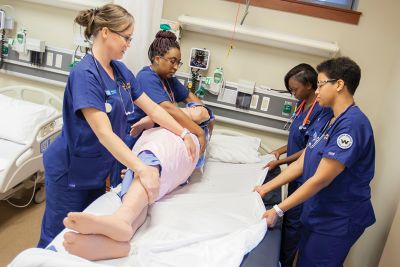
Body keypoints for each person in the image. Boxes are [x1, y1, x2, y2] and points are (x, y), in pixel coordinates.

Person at [37, 4, 197, 248]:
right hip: (70, 170)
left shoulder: (121, 72)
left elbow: (154, 108)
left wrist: (183, 132)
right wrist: (141, 168)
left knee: (84, 237)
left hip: (98, 171)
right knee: (57, 238)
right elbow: (104, 133)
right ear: (105, 32)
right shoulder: (85, 74)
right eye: (126, 38)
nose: (128, 44)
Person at [255, 57, 375, 266]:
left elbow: (321, 179)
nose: (317, 91)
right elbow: (304, 160)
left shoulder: (352, 126)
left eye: (320, 85)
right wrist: (264, 188)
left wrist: (278, 210)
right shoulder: (329, 120)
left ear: (338, 85)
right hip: (319, 211)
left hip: (337, 219)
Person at [61, 104, 214, 261]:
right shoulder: (177, 119)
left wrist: (190, 120)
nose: (194, 109)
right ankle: (116, 244)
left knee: (148, 165)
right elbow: (161, 113)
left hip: (174, 147)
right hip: (168, 162)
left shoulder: (195, 130)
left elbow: (180, 113)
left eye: (198, 108)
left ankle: (121, 219)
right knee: (140, 191)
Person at [109, 30, 211, 186]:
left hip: (153, 136)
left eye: (178, 62)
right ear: (157, 59)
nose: (176, 67)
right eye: (172, 61)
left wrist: (203, 112)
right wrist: (198, 133)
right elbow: (167, 110)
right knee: (125, 186)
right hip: (134, 139)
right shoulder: (146, 77)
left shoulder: (168, 79)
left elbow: (190, 97)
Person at [264, 64, 323, 267]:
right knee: (289, 220)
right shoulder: (303, 105)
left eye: (295, 89)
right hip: (294, 173)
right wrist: (280, 151)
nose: (293, 93)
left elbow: (309, 149)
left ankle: (283, 263)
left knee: (293, 225)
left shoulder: (321, 111)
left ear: (309, 85)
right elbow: (296, 139)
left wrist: (280, 161)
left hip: (304, 175)